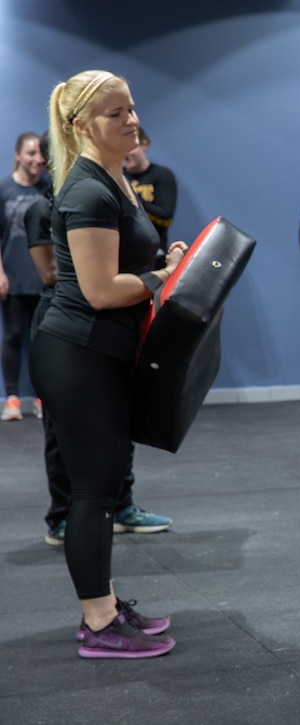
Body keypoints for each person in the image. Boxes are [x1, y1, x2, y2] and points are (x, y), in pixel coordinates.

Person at [28, 69, 185, 658]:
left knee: (105, 486)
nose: (132, 120)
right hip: (78, 352)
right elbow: (99, 290)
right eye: (116, 113)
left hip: (99, 352)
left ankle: (107, 602)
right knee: (92, 494)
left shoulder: (112, 180)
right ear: (81, 125)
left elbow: (129, 263)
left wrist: (161, 261)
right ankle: (97, 624)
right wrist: (161, 277)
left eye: (132, 108)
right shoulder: (88, 189)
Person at [25, 132, 172, 547]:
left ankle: (121, 504)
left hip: (113, 328)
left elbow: (129, 261)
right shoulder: (50, 205)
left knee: (118, 427)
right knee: (63, 433)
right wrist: (143, 275)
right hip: (67, 324)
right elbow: (59, 276)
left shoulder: (114, 192)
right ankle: (61, 516)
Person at [1, 132, 50, 421]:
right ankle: (12, 400)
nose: (37, 159)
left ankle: (44, 398)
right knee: (13, 335)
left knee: (43, 340)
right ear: (18, 155)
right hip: (13, 278)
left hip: (44, 279)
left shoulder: (48, 190)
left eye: (40, 154)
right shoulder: (3, 189)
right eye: (30, 154)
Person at [124, 126, 178, 256]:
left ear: (144, 144)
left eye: (130, 147)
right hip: (123, 253)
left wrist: (133, 199)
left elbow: (166, 218)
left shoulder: (162, 175)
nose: (126, 153)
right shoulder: (117, 176)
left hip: (153, 252)